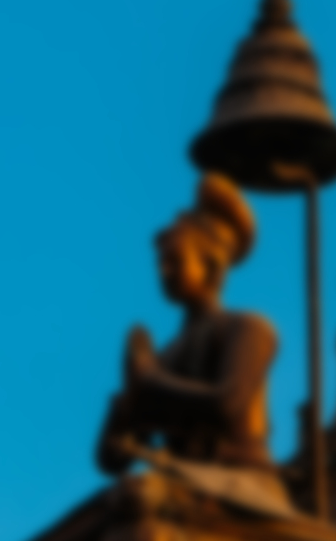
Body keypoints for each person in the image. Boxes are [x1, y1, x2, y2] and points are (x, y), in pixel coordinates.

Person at [96, 173, 278, 476]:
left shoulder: (249, 328)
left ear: (211, 263)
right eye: (161, 263)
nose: (164, 270)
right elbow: (112, 459)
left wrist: (150, 383)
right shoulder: (164, 357)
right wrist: (123, 409)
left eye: (174, 260)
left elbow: (228, 404)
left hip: (240, 479)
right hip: (184, 480)